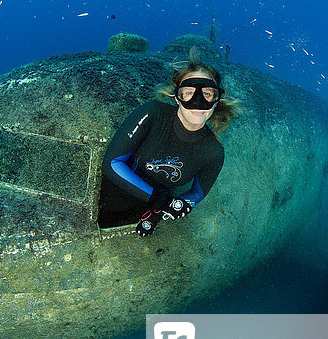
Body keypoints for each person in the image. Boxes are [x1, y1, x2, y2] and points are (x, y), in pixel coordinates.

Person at [98, 47, 241, 236]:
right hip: (108, 201)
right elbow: (112, 163)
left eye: (207, 94)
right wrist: (157, 197)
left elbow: (196, 194)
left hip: (148, 212)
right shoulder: (152, 114)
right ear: (177, 97)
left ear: (216, 100)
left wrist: (177, 205)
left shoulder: (213, 152)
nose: (198, 102)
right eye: (188, 93)